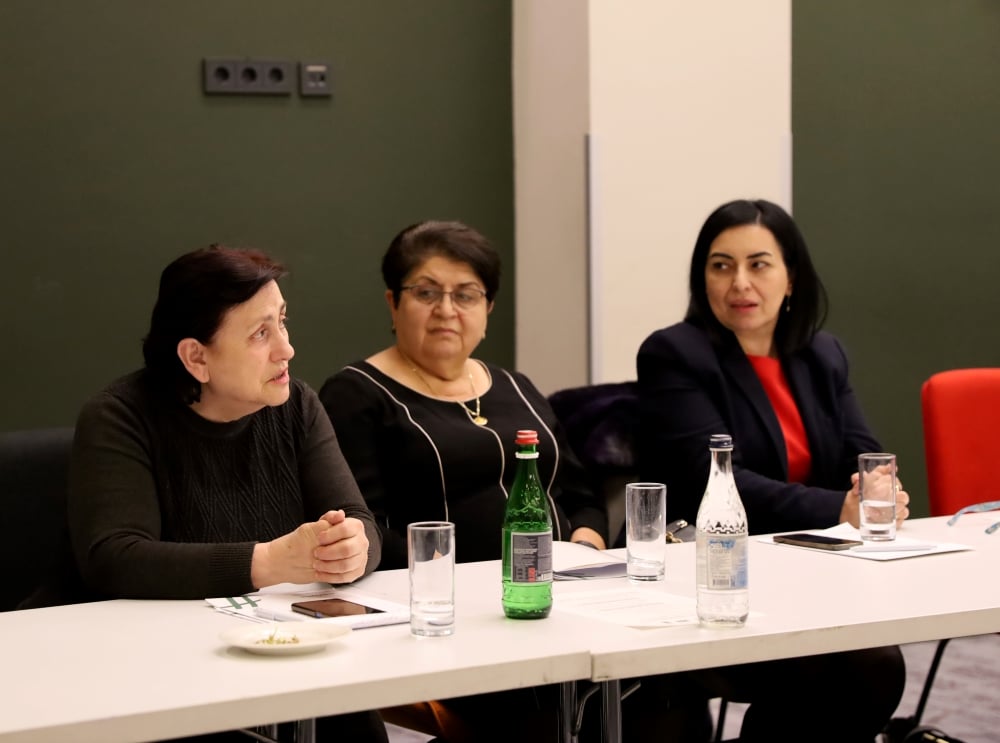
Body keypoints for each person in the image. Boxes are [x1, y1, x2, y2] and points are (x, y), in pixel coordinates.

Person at [68, 245, 388, 743]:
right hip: (155, 675)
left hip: (287, 657)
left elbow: (356, 518)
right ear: (196, 356)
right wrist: (271, 562)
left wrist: (350, 549)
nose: (286, 349)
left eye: (283, 322)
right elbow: (114, 558)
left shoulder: (296, 405)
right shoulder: (120, 417)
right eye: (261, 333)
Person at [319, 220, 622, 742]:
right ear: (393, 304)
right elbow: (362, 528)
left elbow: (579, 494)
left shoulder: (514, 386)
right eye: (426, 292)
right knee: (544, 713)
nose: (446, 310)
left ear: (488, 309)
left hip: (559, 604)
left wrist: (584, 548)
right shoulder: (357, 396)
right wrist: (475, 584)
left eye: (466, 294)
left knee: (659, 692)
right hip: (444, 624)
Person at [637, 198, 908, 741]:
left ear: (790, 280)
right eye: (721, 266)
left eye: (758, 264)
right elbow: (711, 478)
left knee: (876, 666)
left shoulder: (821, 354)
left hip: (808, 575)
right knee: (829, 667)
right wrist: (839, 508)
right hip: (709, 577)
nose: (740, 282)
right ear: (703, 279)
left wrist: (879, 490)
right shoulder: (674, 353)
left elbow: (863, 451)